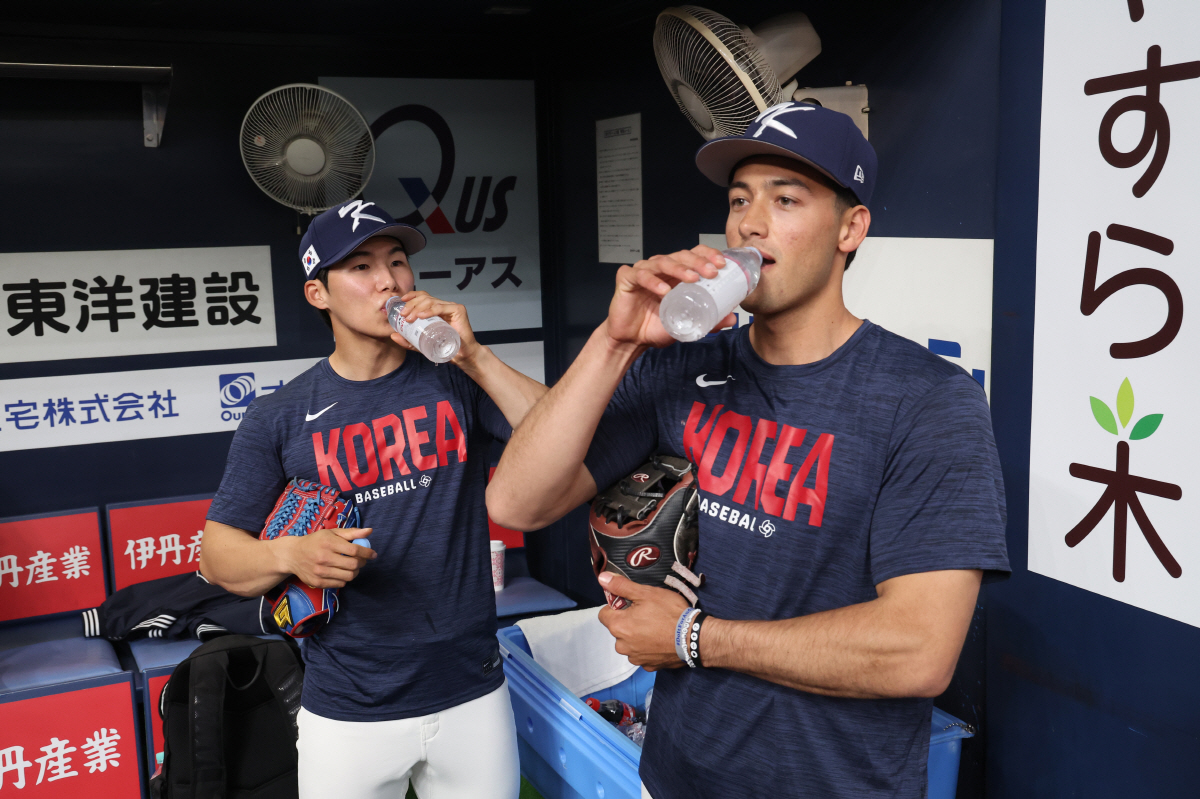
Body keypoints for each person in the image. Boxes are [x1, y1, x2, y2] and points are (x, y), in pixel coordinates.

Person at [487, 102, 1010, 798]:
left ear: (851, 228)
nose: (749, 223)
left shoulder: (927, 400)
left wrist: (693, 637)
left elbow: (919, 648)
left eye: (785, 199)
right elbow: (517, 500)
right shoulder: (678, 367)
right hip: (675, 773)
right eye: (739, 199)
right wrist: (613, 344)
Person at [199, 199, 545, 799]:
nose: (389, 280)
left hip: (472, 690)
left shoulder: (457, 379)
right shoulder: (279, 415)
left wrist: (476, 356)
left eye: (397, 261)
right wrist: (293, 555)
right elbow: (216, 556)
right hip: (349, 706)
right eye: (360, 266)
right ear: (318, 295)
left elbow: (563, 437)